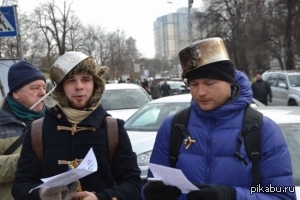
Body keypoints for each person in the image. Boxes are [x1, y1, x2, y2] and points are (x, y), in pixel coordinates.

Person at [142, 38, 295, 200]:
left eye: (209, 83)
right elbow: (151, 186)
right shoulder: (173, 127)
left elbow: (282, 195)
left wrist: (232, 196)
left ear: (229, 81)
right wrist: (150, 194)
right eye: (194, 84)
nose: (200, 92)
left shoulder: (263, 130)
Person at [12, 52, 142, 200]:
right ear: (61, 88)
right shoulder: (38, 130)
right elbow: (20, 186)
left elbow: (133, 184)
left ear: (95, 84)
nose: (79, 86)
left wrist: (101, 198)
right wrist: (40, 195)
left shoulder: (113, 129)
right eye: (71, 81)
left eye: (85, 79)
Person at [0, 60, 47, 200]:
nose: (43, 93)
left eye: (44, 87)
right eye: (35, 88)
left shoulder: (55, 118)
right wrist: (25, 160)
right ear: (16, 93)